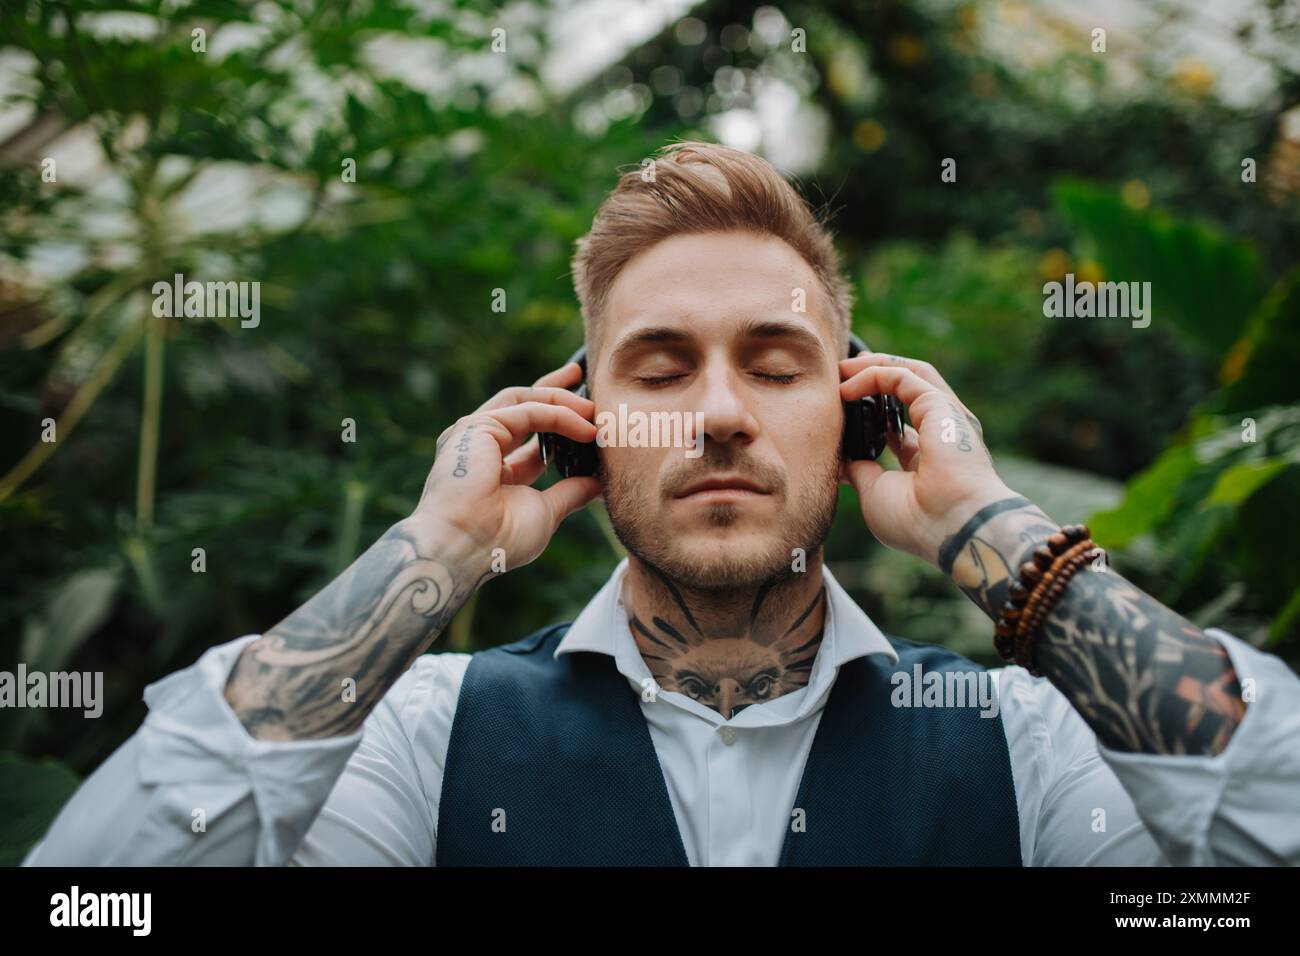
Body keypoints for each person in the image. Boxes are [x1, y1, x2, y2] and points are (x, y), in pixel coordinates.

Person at [23, 141, 1300, 866]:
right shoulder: (423, 737)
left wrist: (991, 531)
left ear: (857, 414)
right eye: (661, 366)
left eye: (777, 364)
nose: (722, 411)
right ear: (582, 418)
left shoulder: (1024, 746)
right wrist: (438, 549)